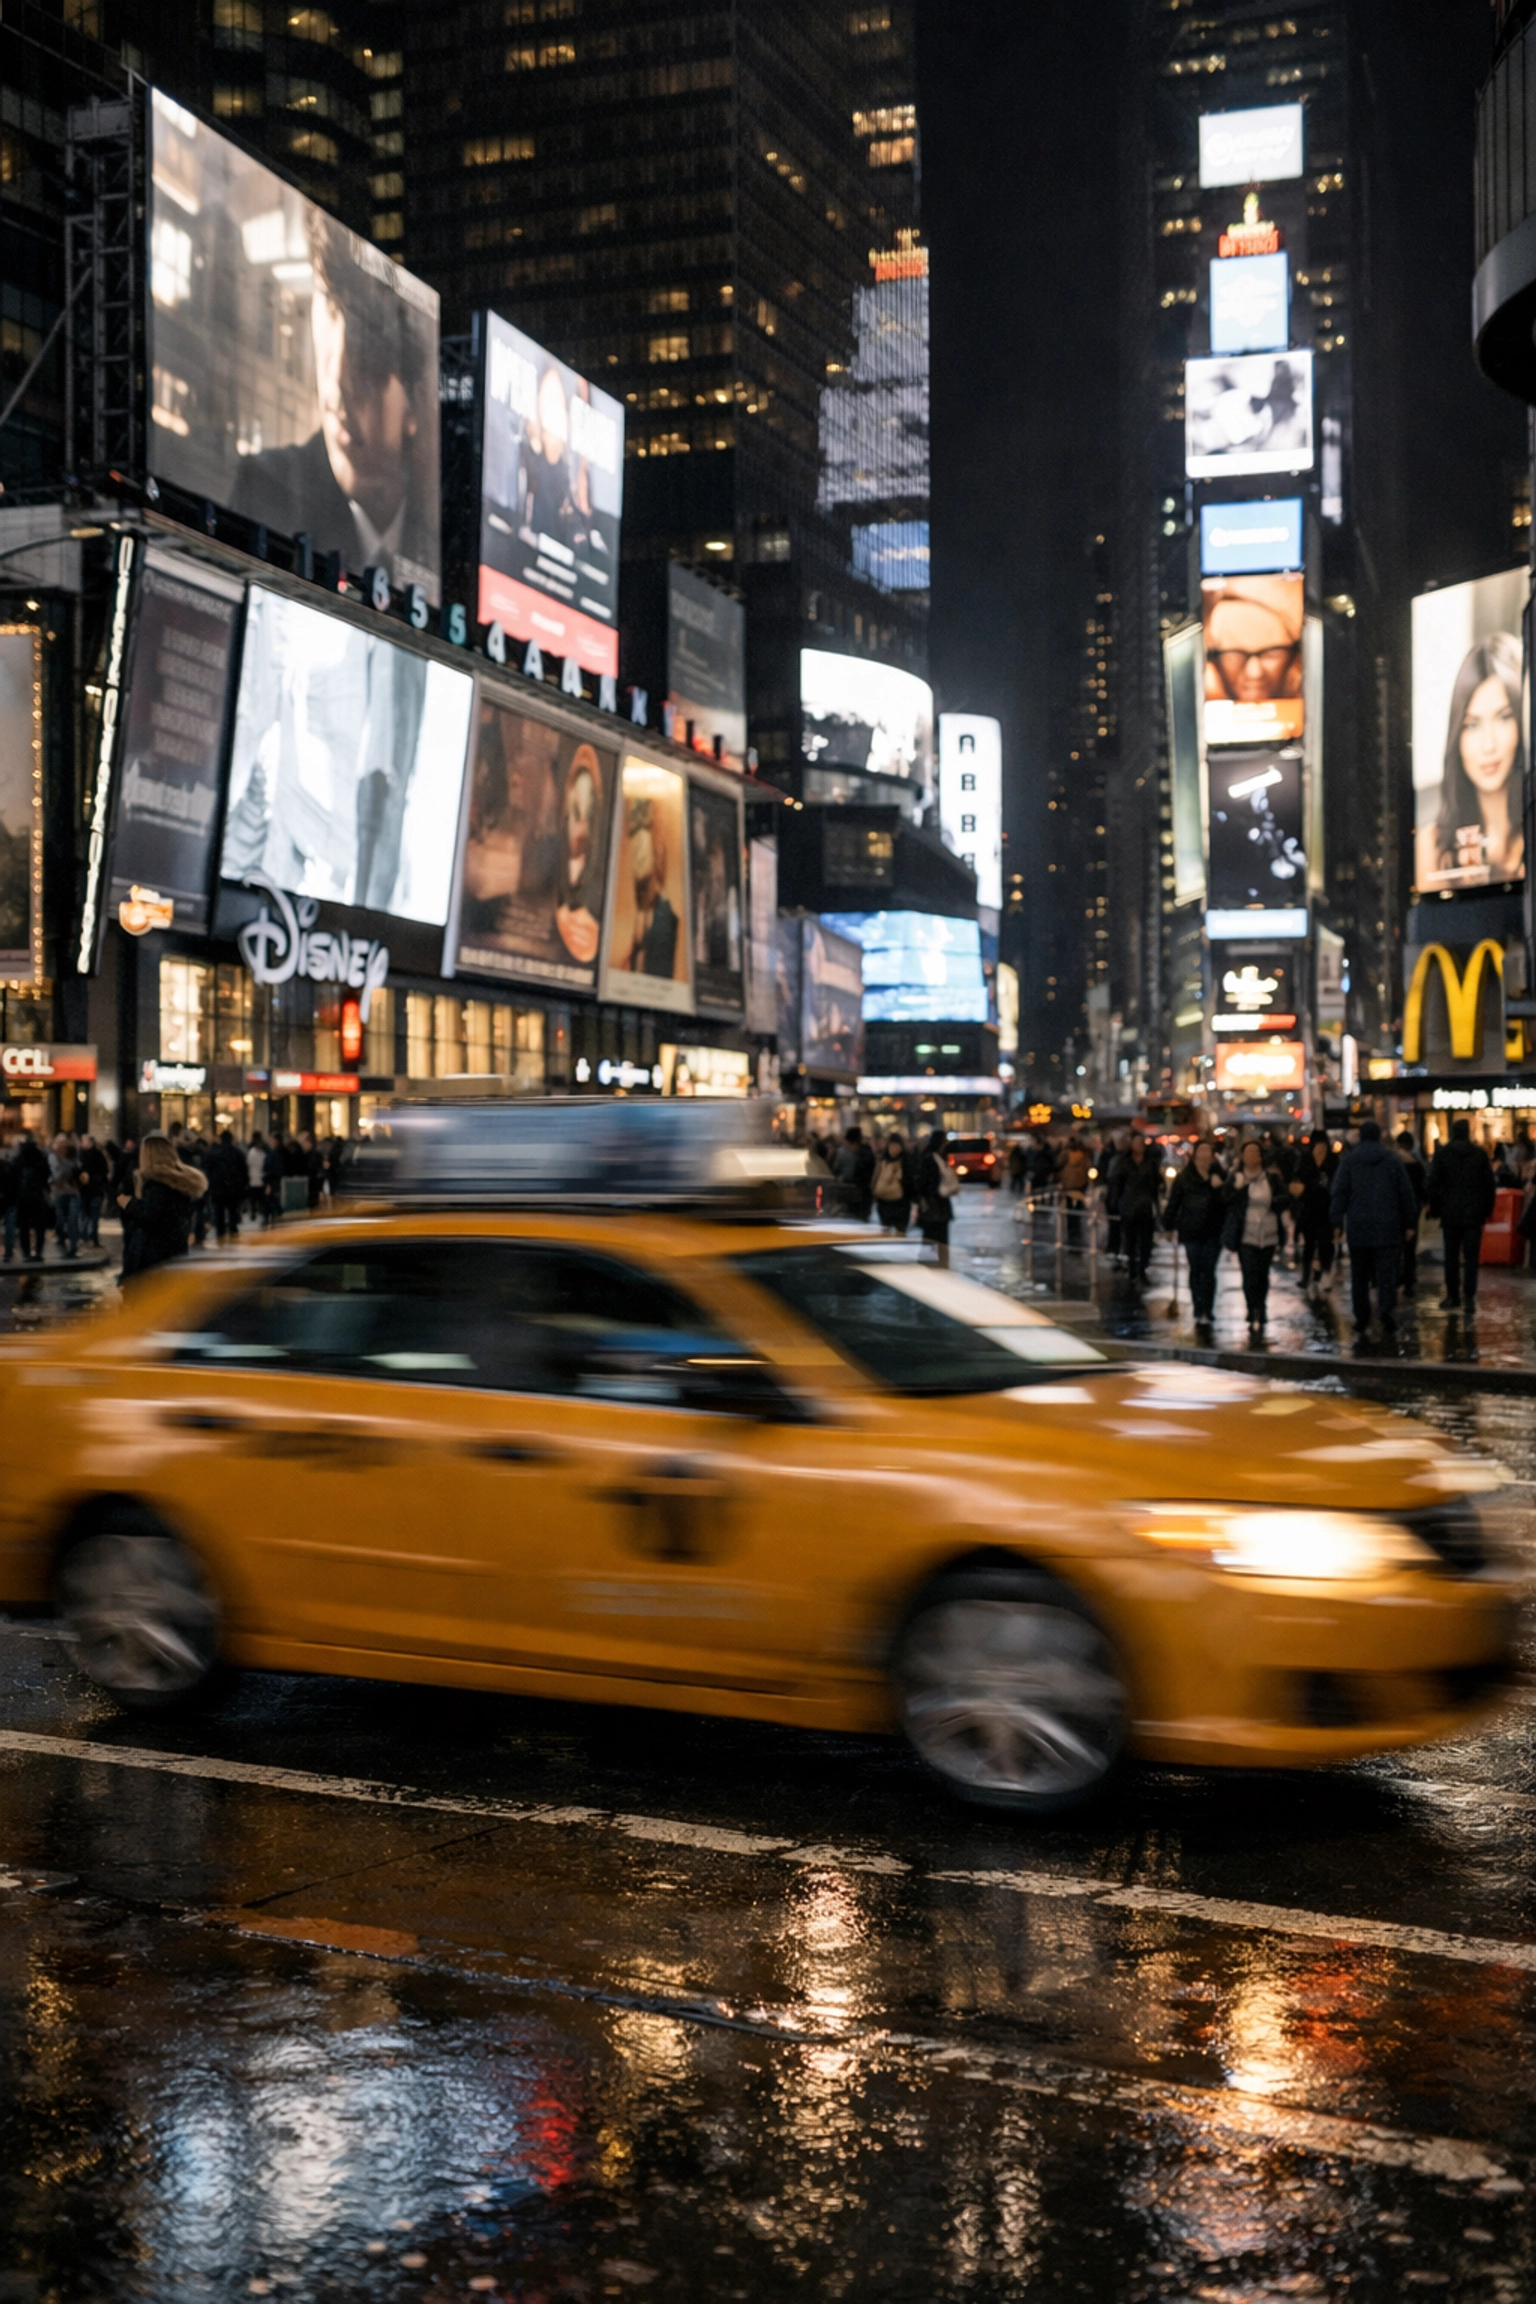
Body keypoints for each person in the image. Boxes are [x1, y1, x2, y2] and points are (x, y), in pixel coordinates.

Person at [228, 209, 437, 595]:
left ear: (417, 398)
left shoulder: (435, 536)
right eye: (329, 303)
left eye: (368, 341)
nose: (337, 372)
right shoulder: (265, 490)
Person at [1415, 631, 1526, 892]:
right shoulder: (1432, 847)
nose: (1489, 745)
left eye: (1503, 717)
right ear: (1457, 735)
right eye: (1472, 724)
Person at [1330, 1118, 1419, 1343]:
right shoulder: (1392, 1160)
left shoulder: (1349, 1161)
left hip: (1359, 1227)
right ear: (1379, 1136)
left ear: (1360, 1136)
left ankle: (1362, 1317)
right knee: (1386, 1273)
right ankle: (1386, 1311)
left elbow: (1339, 1192)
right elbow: (1405, 1194)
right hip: (1388, 1227)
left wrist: (1337, 1222)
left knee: (1359, 1274)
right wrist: (1410, 1223)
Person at [1426, 1116, 1497, 1314]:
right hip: (1474, 1214)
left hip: (1450, 1213)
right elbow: (1489, 1186)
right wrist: (1487, 1210)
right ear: (1468, 1133)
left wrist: (1436, 1207)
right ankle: (1469, 1296)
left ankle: (1452, 1296)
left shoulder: (1443, 1154)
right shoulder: (1479, 1155)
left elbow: (1432, 1184)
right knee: (1471, 1257)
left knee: (1451, 1256)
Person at [116, 1131, 209, 1282]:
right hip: (173, 1252)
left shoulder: (157, 1186)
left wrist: (129, 1203)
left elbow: (150, 1217)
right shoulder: (177, 1183)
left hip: (154, 1257)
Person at [1223, 1138, 1286, 1337]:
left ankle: (1262, 1307)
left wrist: (1278, 1201)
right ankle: (1252, 1309)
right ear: (1242, 1157)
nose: (1251, 1157)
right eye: (1247, 1153)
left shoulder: (1272, 1179)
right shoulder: (1236, 1177)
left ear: (1260, 1157)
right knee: (1249, 1274)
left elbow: (1285, 1200)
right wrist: (1239, 1189)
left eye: (1255, 1153)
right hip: (1246, 1235)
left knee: (1263, 1274)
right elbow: (1225, 1200)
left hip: (1268, 1235)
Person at [1164, 1138, 1226, 1334]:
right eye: (1202, 1150)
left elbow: (1227, 1201)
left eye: (1209, 1150)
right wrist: (1168, 1225)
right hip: (1191, 1229)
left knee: (1209, 1270)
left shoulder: (1220, 1175)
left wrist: (1219, 1188)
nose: (1205, 1154)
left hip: (1213, 1230)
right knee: (1196, 1268)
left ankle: (1208, 1307)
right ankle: (1198, 1305)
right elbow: (1174, 1202)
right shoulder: (1185, 1177)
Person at [1108, 1132, 1163, 1288]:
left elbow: (1156, 1186)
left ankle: (1142, 1270)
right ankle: (1132, 1270)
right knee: (1130, 1241)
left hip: (1145, 1207)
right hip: (1129, 1207)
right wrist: (1115, 1204)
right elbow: (1117, 1185)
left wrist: (1156, 1207)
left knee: (1146, 1242)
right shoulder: (1124, 1163)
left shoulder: (1150, 1163)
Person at [1288, 1131, 1336, 1294]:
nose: (1321, 1148)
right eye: (1318, 1144)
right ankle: (1306, 1275)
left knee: (1325, 1244)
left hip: (1327, 1210)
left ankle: (1325, 1274)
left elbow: (1338, 1183)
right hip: (1308, 1208)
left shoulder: (1333, 1160)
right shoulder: (1305, 1159)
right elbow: (1296, 1180)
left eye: (1323, 1144)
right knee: (1308, 1244)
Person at [915, 1129, 959, 1267]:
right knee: (934, 1238)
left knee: (935, 1239)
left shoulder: (938, 1157)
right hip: (935, 1206)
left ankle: (937, 1264)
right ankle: (934, 1264)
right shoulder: (931, 1159)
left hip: (938, 1206)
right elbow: (925, 1184)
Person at [1394, 1129, 1428, 1296]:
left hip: (1394, 1210)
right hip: (1412, 1210)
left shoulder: (1392, 1163)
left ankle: (1396, 1278)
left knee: (1395, 1247)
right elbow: (1423, 1186)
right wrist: (1427, 1203)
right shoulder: (1416, 1164)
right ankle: (1408, 1282)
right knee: (1409, 1248)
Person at [209, 1129, 249, 1243]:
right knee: (233, 1215)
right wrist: (244, 1187)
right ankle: (233, 1235)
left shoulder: (214, 1154)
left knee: (219, 1216)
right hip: (233, 1190)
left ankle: (220, 1237)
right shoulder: (237, 1153)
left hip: (218, 1190)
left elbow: (210, 1171)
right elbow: (244, 1172)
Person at [48, 1133, 82, 1261]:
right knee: (61, 1220)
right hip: (60, 1192)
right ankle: (62, 1238)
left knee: (73, 1221)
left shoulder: (74, 1156)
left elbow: (78, 1171)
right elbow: (54, 1173)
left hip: (73, 1192)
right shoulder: (53, 1157)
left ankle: (72, 1248)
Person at [833, 1126, 875, 1223]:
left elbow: (862, 1177)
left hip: (856, 1195)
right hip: (860, 1197)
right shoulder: (867, 1153)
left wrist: (844, 1180)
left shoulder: (858, 1155)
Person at [873, 1133, 912, 1233]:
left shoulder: (905, 1161)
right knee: (885, 1229)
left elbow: (908, 1181)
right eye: (891, 1146)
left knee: (899, 1230)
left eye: (896, 1146)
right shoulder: (883, 1161)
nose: (893, 1149)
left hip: (900, 1203)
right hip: (884, 1202)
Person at [76, 1135, 109, 1248]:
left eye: (84, 1141)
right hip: (93, 1191)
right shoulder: (98, 1155)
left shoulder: (81, 1156)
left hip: (88, 1190)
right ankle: (91, 1238)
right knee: (91, 1216)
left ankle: (85, 1237)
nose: (82, 1143)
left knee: (86, 1215)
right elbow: (104, 1172)